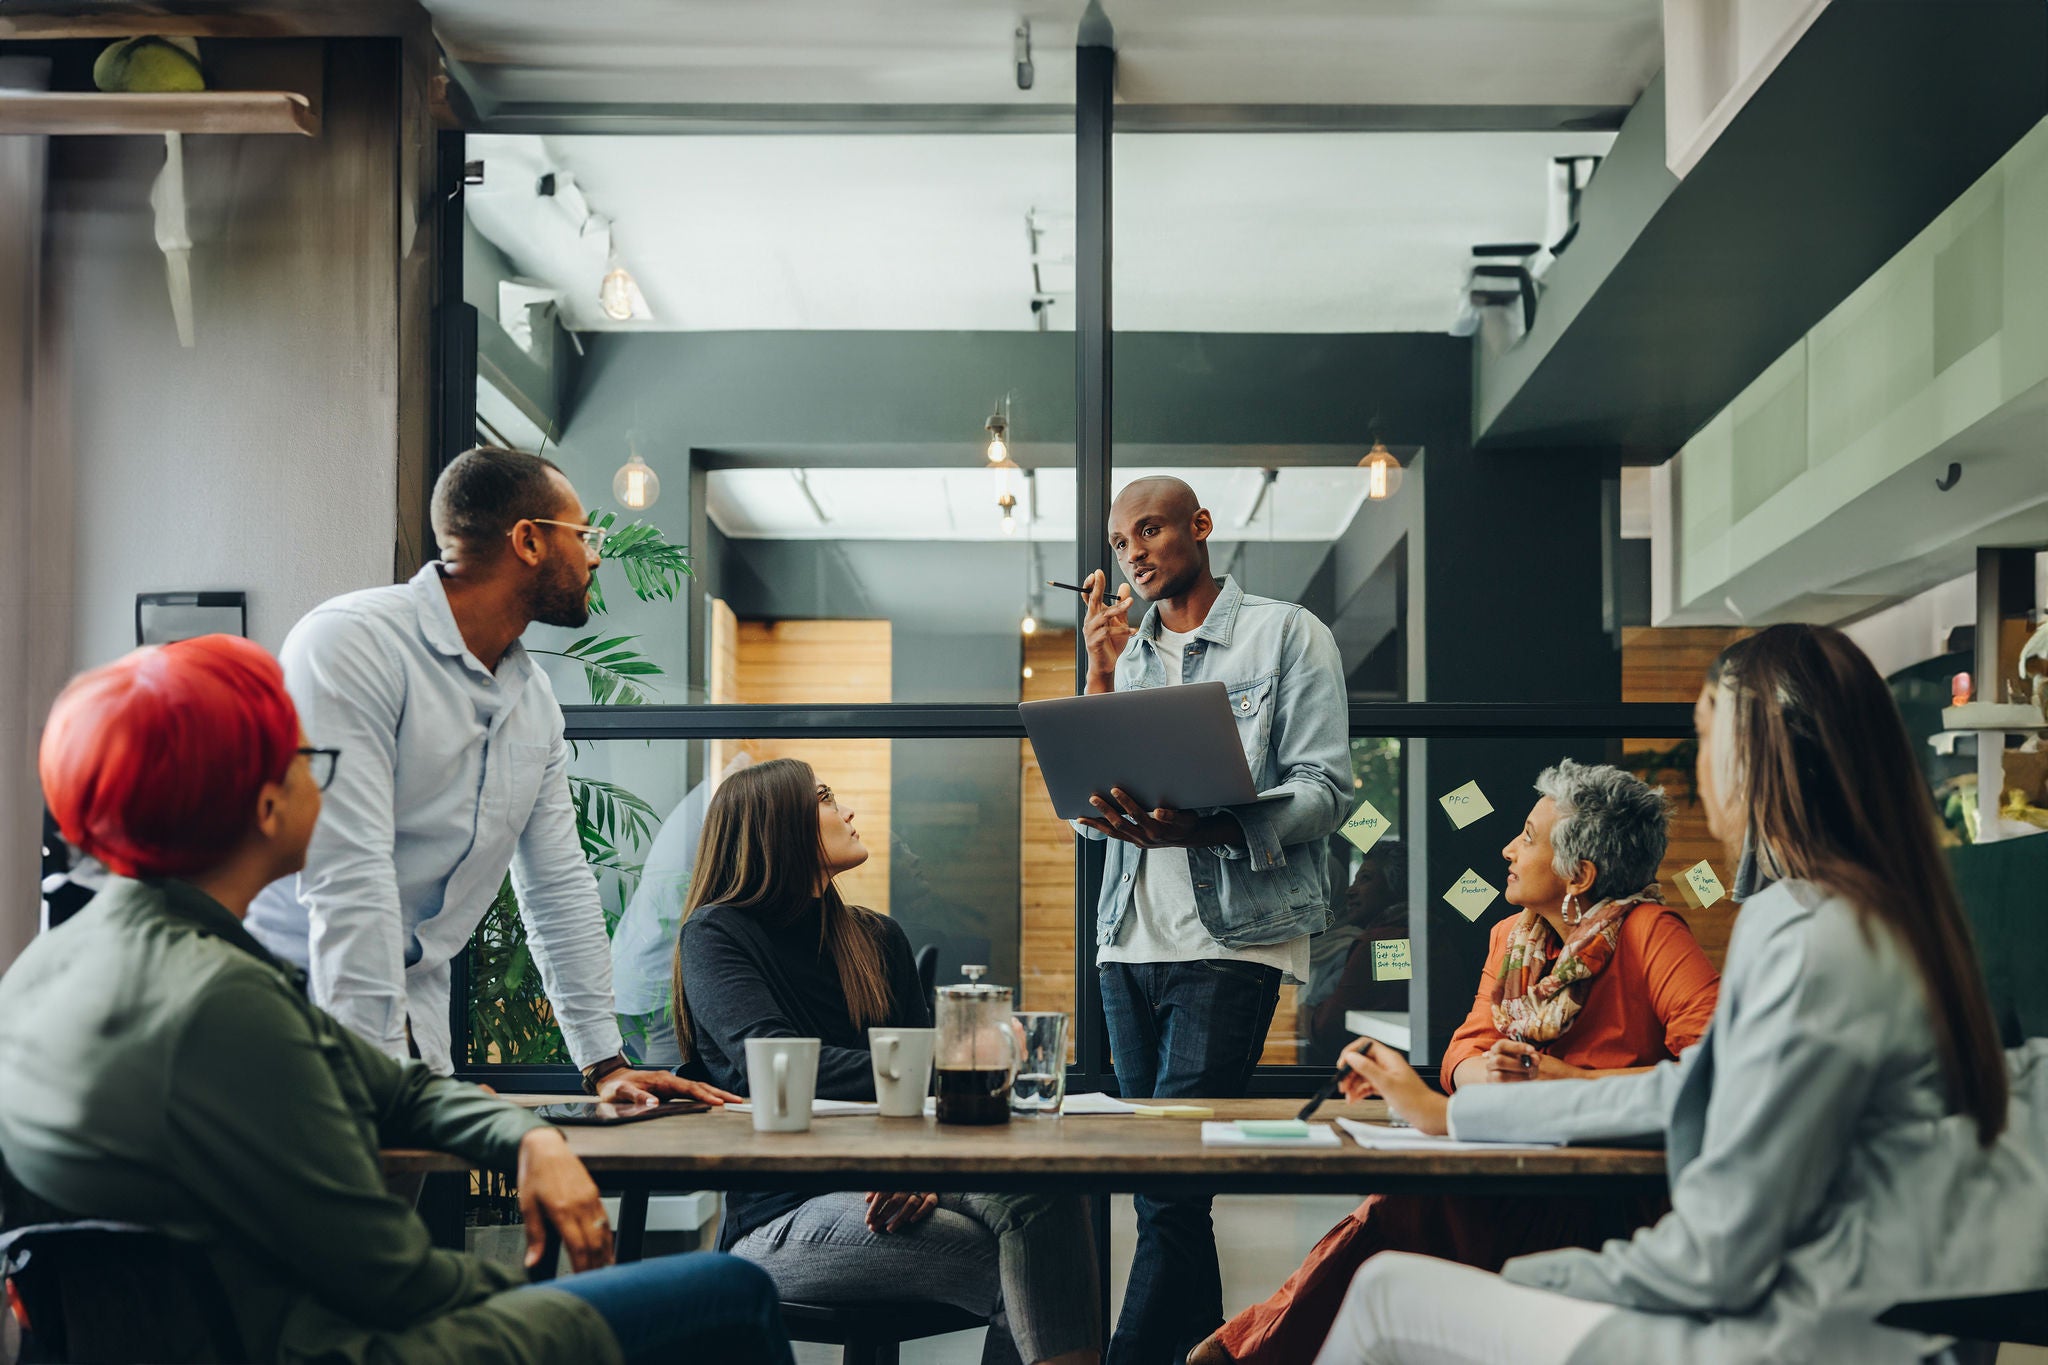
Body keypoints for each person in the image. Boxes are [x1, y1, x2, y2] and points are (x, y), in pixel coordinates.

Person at [0, 636, 793, 1365]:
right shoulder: (223, 1004)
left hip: (209, 1334)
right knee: (735, 1293)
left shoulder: (44, 973)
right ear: (266, 805)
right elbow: (395, 1282)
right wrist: (554, 1304)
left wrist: (527, 1137)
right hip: (325, 1344)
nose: (328, 778)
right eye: (308, 758)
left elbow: (400, 1087)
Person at [1321, 624, 2048, 1365]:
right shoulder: (1873, 918)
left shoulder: (1804, 940)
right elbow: (1691, 1092)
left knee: (1387, 1293)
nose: (1697, 778)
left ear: (1750, 758)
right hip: (1832, 1316)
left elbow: (1717, 1255)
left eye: (1703, 739)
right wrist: (1454, 1112)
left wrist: (1538, 1280)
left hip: (1788, 1337)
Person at [1192, 760, 1720, 1364]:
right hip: (1509, 1175)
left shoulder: (1653, 933)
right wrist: (1490, 1076)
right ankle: (1259, 1348)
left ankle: (1253, 1349)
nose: (1507, 848)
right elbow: (1460, 1055)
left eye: (1527, 836)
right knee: (1403, 1206)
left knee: (1408, 1212)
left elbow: (1715, 1075)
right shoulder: (1512, 938)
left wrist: (1561, 1081)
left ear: (1580, 875)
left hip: (1601, 1198)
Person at [247, 446, 718, 1103]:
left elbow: (558, 884)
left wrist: (605, 1063)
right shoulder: (351, 645)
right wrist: (387, 1086)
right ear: (528, 540)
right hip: (289, 1014)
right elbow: (348, 880)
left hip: (414, 1033)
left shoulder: (533, 705)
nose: (597, 556)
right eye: (584, 536)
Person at [673, 758, 1102, 1365]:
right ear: (775, 826)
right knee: (1032, 1264)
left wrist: (925, 1162)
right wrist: (956, 1063)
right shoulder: (717, 934)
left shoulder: (876, 938)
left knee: (1050, 1196)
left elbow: (929, 1095)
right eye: (825, 797)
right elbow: (772, 1064)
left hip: (894, 1180)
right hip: (780, 1217)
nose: (847, 811)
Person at [1074, 476, 1351, 1365]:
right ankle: (1217, 1353)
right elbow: (1085, 811)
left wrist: (1217, 823)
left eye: (1149, 530)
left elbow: (1326, 788)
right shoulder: (1130, 652)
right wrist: (1100, 671)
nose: (1135, 552)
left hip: (1233, 941)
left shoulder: (1287, 633)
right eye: (1121, 543)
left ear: (1200, 526)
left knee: (1170, 1189)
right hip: (1127, 941)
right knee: (1168, 1194)